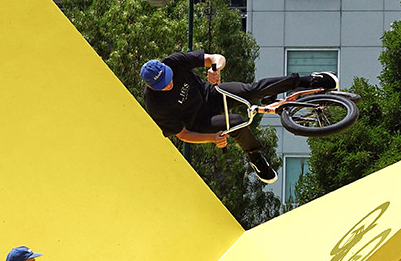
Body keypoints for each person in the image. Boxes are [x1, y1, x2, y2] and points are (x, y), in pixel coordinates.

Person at [139, 50, 338, 184]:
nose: (169, 85)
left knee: (251, 91)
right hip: (200, 122)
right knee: (236, 123)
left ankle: (309, 80)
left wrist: (215, 69)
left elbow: (216, 57)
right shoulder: (155, 104)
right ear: (150, 86)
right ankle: (256, 157)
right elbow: (182, 134)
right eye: (162, 86)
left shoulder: (174, 62)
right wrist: (212, 138)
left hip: (210, 94)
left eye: (168, 79)